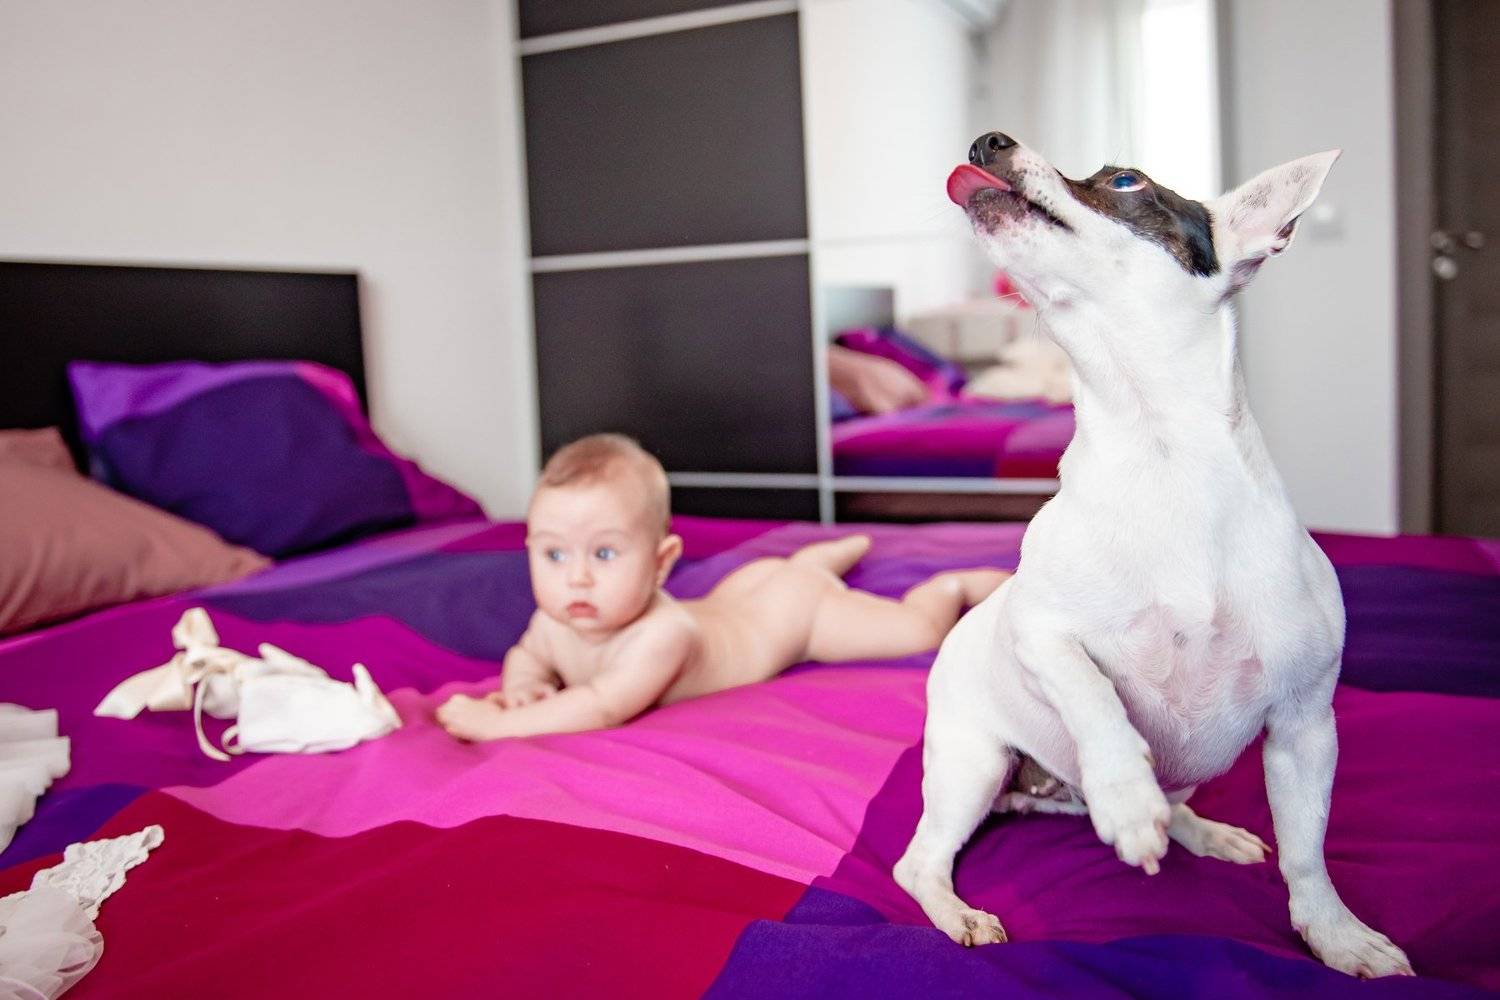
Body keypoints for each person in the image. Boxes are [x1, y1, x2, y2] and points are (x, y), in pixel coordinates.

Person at [436, 434, 1008, 741]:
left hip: (793, 616)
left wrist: (500, 724)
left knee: (915, 630)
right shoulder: (554, 619)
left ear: (662, 563)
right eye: (554, 554)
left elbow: (602, 705)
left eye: (604, 553)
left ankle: (948, 586)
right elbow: (527, 655)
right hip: (745, 593)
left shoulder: (662, 635)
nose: (576, 577)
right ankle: (819, 559)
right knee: (791, 572)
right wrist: (525, 686)